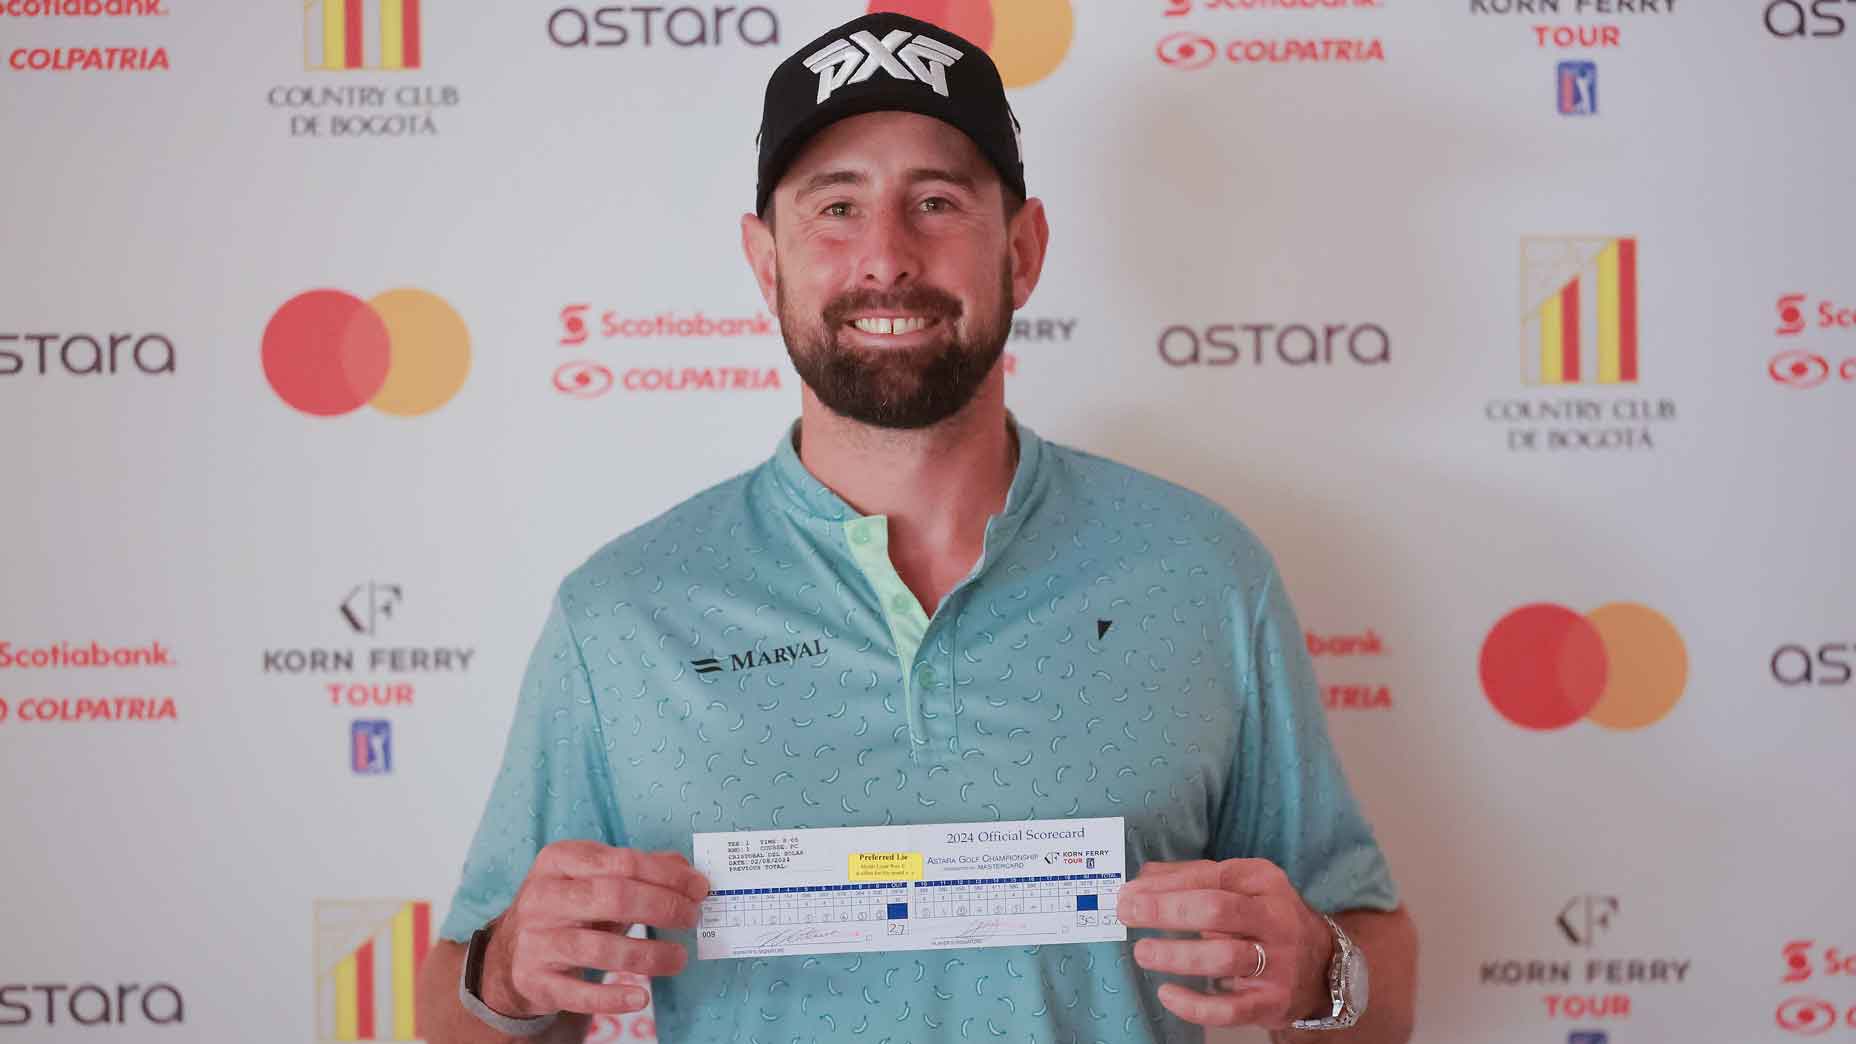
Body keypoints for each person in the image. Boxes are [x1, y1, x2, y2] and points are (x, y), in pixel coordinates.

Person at [415, 12, 1417, 1043]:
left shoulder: (1204, 574)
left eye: (934, 202)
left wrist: (1321, 974)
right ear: (765, 261)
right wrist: (505, 973)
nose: (885, 257)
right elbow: (460, 1010)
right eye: (835, 207)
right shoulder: (622, 616)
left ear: (1020, 252)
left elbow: (1375, 970)